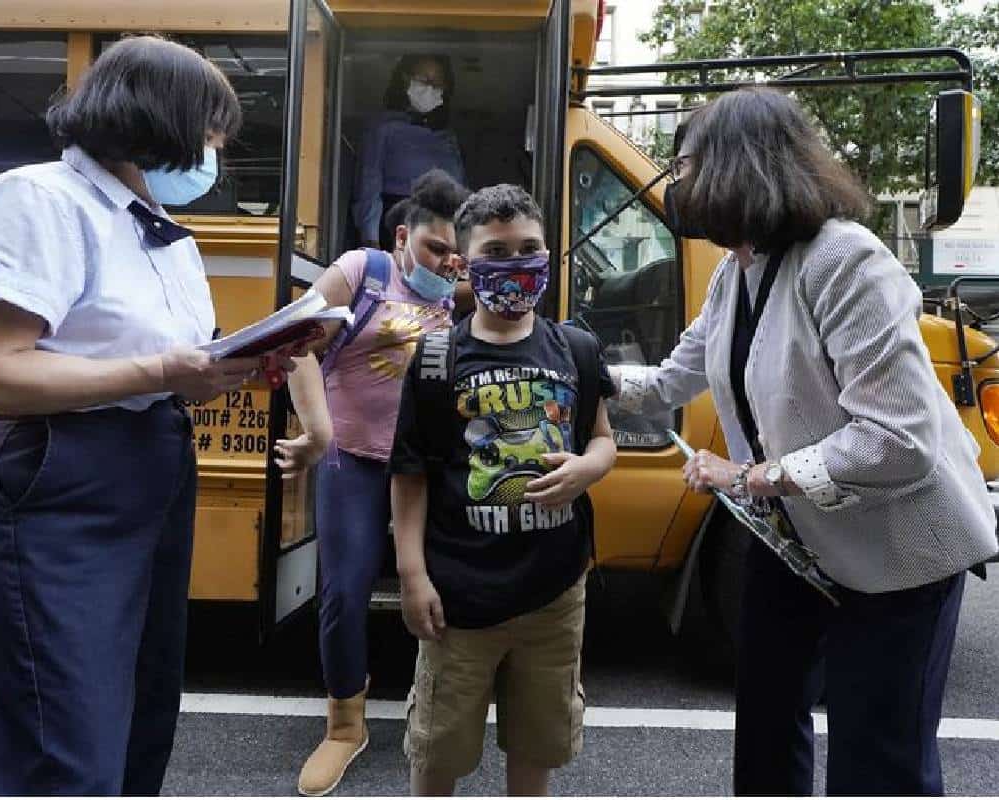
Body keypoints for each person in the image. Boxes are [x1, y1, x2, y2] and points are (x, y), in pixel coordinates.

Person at [0, 35, 307, 795]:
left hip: (150, 457)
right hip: (60, 470)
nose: (215, 153)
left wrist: (216, 373)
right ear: (159, 119)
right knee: (68, 739)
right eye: (210, 131)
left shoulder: (155, 226)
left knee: (139, 720)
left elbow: (158, 362)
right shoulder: (36, 200)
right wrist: (163, 371)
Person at [611, 88, 999, 796]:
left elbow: (899, 439)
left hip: (899, 551)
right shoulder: (738, 272)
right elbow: (673, 377)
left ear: (735, 166)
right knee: (762, 724)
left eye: (684, 164)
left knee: (877, 764)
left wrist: (752, 477)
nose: (675, 183)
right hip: (794, 541)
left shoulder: (846, 261)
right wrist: (576, 369)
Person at [389, 184, 617, 796]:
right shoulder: (438, 359)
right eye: (497, 250)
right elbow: (410, 475)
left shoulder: (576, 348)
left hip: (554, 596)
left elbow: (602, 438)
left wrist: (590, 469)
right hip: (458, 601)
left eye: (529, 249)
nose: (516, 263)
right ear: (465, 263)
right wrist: (413, 577)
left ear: (547, 254)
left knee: (536, 753)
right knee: (438, 755)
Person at [275, 169, 471, 797]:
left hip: (422, 467)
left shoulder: (459, 296)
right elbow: (296, 344)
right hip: (352, 457)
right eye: (435, 248)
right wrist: (318, 433)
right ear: (403, 235)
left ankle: (441, 711)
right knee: (344, 590)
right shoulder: (364, 271)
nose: (445, 261)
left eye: (454, 252)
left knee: (447, 588)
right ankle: (344, 725)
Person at [352, 55, 466, 252]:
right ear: (406, 79)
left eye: (438, 82)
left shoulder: (448, 137)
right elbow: (369, 182)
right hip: (397, 223)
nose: (430, 87)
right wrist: (371, 240)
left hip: (443, 227)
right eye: (424, 79)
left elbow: (461, 187)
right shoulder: (383, 126)